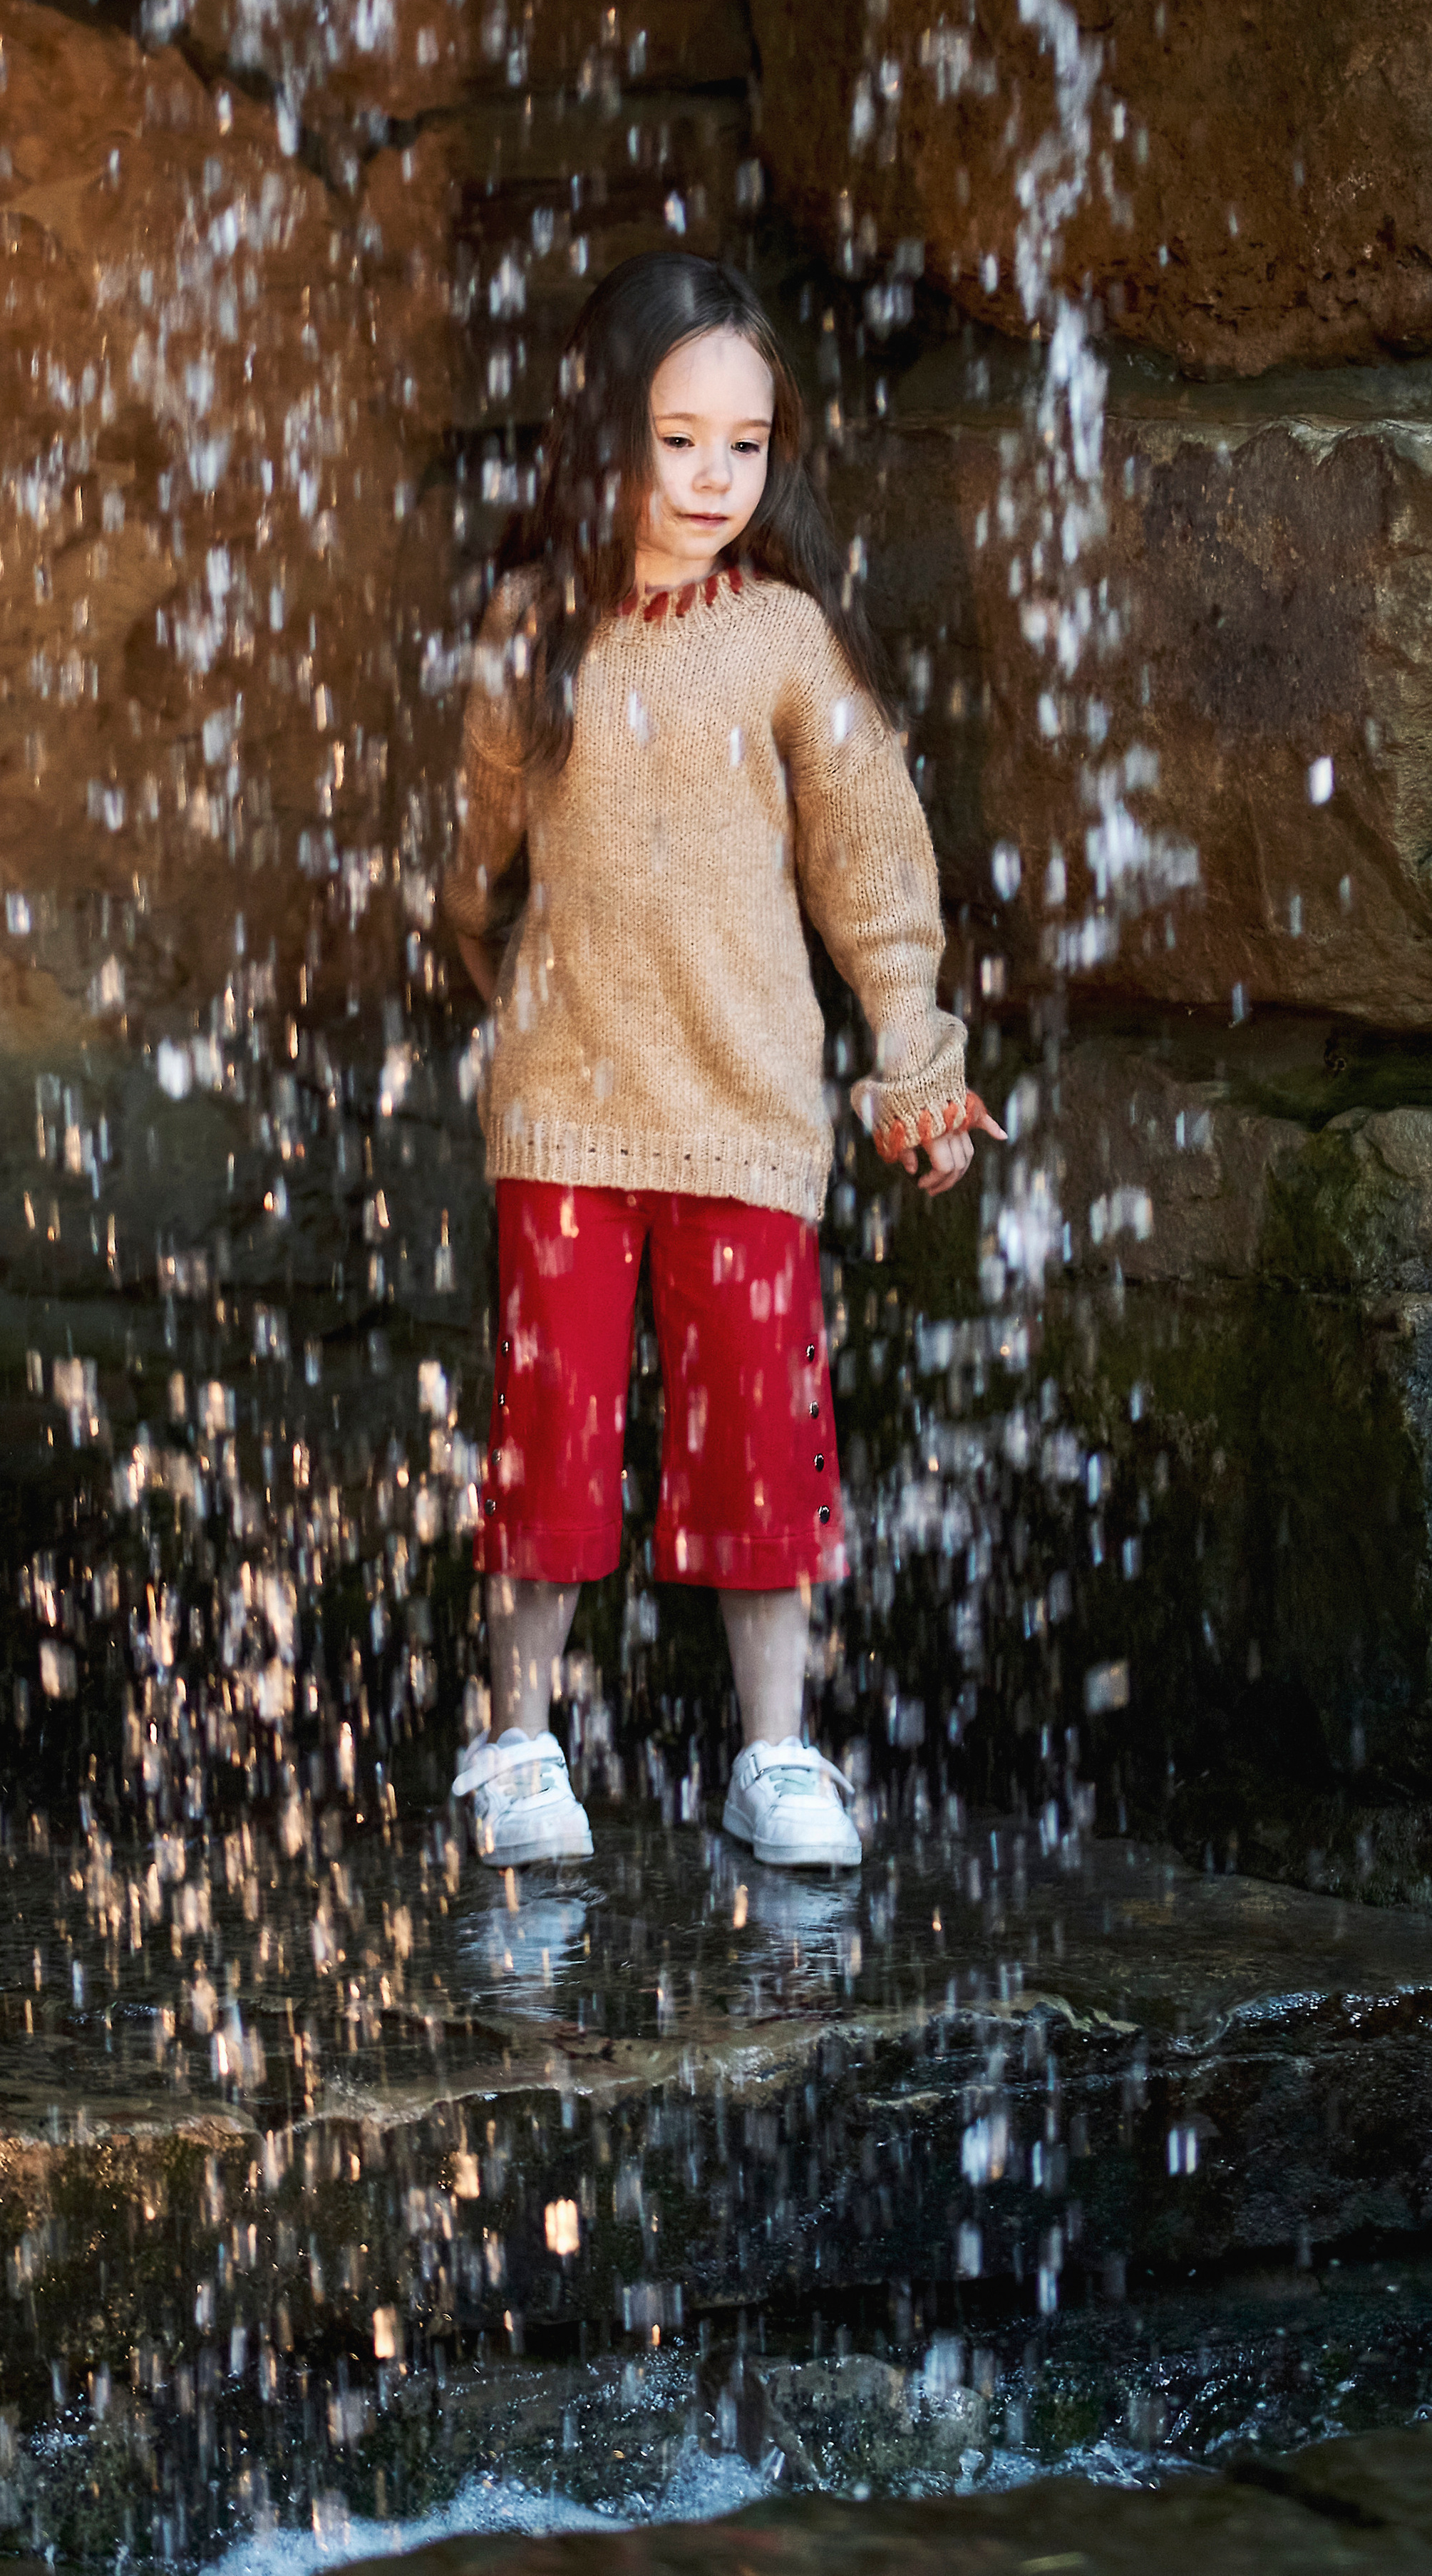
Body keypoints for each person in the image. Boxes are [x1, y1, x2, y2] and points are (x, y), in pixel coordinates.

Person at [441, 249, 1001, 1871]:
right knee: (546, 1434)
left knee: (758, 1438)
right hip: (564, 1112)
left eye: (743, 446)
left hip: (747, 1114)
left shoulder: (781, 641)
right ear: (599, 433)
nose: (709, 478)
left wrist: (913, 1057)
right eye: (675, 437)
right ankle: (521, 1742)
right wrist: (508, 984)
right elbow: (476, 854)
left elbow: (873, 875)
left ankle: (774, 1752)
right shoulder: (536, 624)